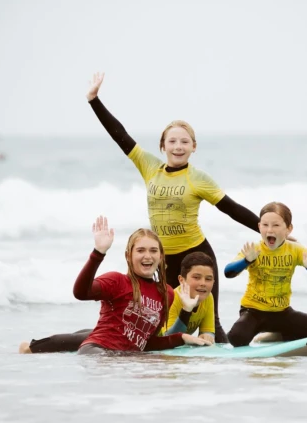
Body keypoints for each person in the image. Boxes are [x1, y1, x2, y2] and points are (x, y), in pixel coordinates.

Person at [86, 72, 263, 343]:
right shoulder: (149, 166)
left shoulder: (199, 178)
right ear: (162, 145)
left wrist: (263, 229)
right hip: (164, 260)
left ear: (193, 147)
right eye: (172, 141)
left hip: (197, 254)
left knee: (209, 319)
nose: (178, 146)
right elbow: (119, 135)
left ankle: (225, 359)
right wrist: (94, 101)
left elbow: (232, 208)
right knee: (160, 321)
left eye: (184, 142)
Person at [20, 215, 210, 355]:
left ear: (161, 257)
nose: (147, 256)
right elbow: (80, 292)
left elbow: (148, 342)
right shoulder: (117, 281)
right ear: (129, 256)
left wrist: (181, 337)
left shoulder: (166, 293)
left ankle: (31, 349)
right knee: (93, 347)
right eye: (140, 250)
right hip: (98, 350)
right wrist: (98, 253)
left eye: (153, 251)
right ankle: (30, 349)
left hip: (126, 355)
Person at [224, 202, 307, 347]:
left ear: (288, 229)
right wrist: (246, 261)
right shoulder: (254, 249)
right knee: (237, 338)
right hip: (253, 311)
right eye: (265, 225)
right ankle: (278, 333)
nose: (270, 230)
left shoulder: (294, 249)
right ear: (259, 227)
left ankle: (277, 335)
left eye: (276, 225)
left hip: (282, 313)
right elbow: (228, 272)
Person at [162, 251, 216, 342]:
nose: (203, 283)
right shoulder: (171, 298)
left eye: (208, 279)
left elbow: (208, 331)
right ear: (181, 280)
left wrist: (207, 336)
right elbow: (168, 338)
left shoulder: (208, 297)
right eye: (196, 277)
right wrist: (186, 310)